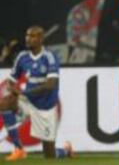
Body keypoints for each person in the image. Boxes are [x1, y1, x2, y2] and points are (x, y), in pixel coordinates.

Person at [3, 26, 73, 160]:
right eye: (27, 35)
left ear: (41, 39)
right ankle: (19, 149)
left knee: (49, 155)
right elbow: (11, 80)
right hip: (28, 102)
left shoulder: (49, 57)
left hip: (45, 107)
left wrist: (23, 92)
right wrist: (12, 89)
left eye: (33, 36)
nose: (28, 39)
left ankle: (65, 151)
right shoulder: (22, 57)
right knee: (5, 103)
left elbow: (50, 84)